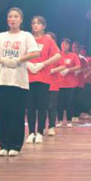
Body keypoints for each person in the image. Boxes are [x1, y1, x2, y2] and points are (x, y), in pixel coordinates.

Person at [0, 7, 39, 157]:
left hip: (19, 81)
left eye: (16, 16)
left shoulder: (26, 36)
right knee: (2, 114)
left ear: (21, 19)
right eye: (10, 16)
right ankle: (4, 145)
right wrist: (1, 59)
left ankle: (15, 145)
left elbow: (35, 53)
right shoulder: (0, 36)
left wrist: (19, 60)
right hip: (2, 80)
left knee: (17, 114)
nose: (12, 19)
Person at [25, 16, 61, 144]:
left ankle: (40, 132)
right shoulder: (27, 38)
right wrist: (27, 64)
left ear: (44, 26)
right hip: (28, 77)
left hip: (43, 77)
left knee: (42, 106)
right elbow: (20, 54)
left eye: (39, 23)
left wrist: (43, 64)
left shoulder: (48, 40)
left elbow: (58, 55)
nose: (35, 25)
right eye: (33, 23)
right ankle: (31, 133)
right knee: (30, 107)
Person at [51, 38, 81, 128]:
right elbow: (53, 66)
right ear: (60, 45)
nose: (65, 46)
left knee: (69, 102)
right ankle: (60, 120)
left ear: (69, 46)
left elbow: (78, 66)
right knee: (59, 102)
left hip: (70, 84)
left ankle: (69, 120)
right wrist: (58, 70)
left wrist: (68, 70)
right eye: (63, 44)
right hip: (59, 83)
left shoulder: (73, 55)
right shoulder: (58, 55)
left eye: (67, 44)